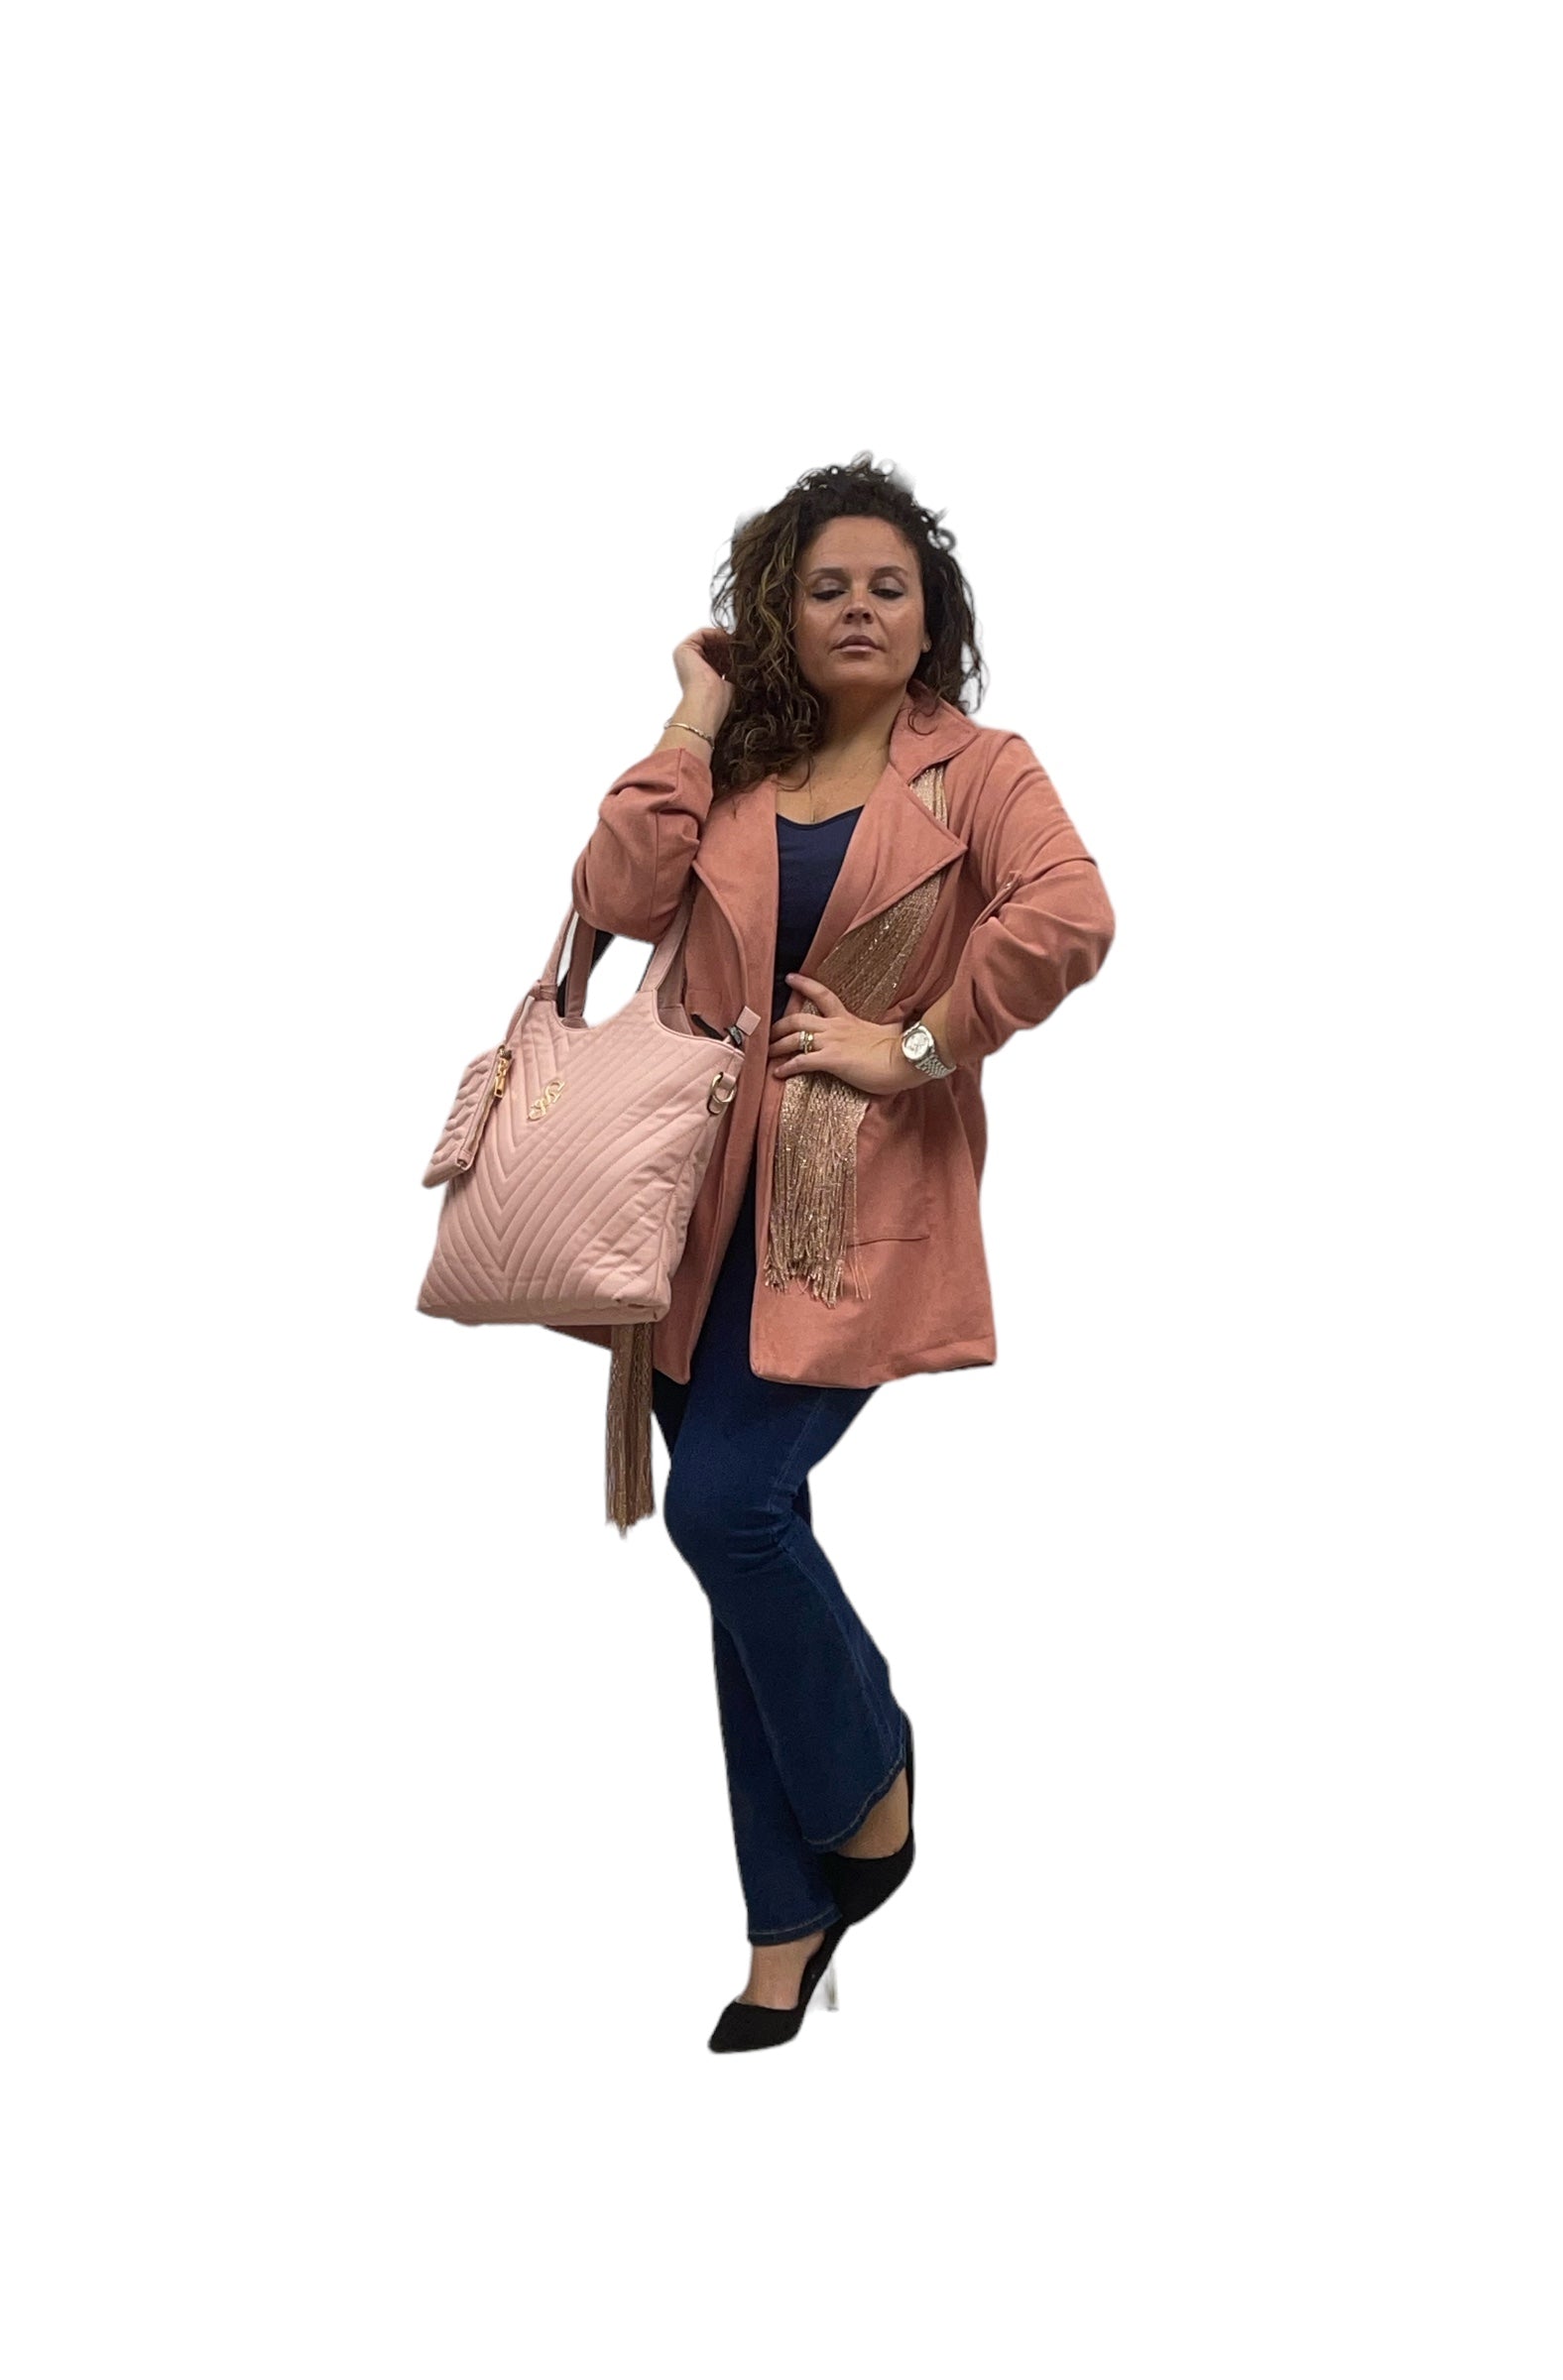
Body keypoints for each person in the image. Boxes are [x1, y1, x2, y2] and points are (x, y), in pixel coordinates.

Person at [554, 453, 1117, 2052]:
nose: (860, 607)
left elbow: (1070, 916)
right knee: (744, 1564)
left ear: (931, 616)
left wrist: (916, 1046)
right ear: (780, 617)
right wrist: (690, 718)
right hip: (685, 1215)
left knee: (726, 1511)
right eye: (826, 587)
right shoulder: (737, 768)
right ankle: (786, 1925)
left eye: (889, 585)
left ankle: (872, 1772)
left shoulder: (980, 772)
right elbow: (613, 894)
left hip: (843, 1213)